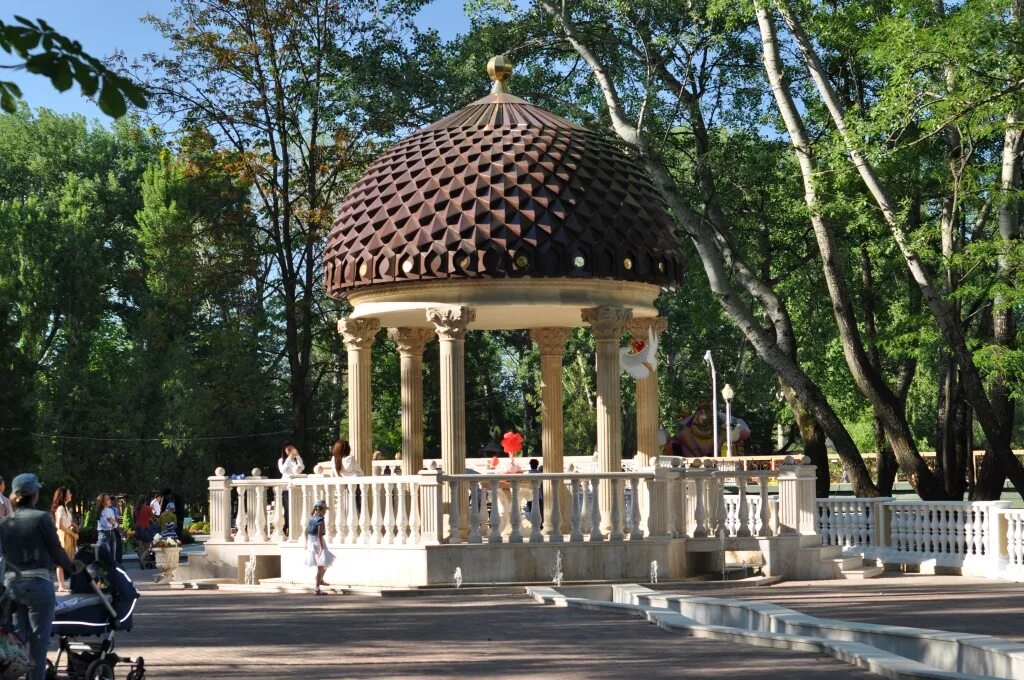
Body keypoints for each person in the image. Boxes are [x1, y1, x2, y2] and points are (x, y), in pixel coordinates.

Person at [0, 473, 84, 680]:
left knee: (19, 638)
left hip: (12, 587)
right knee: (39, 643)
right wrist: (72, 567)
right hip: (38, 585)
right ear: (35, 495)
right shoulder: (42, 518)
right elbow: (57, 550)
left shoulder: (5, 522)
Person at [50, 487, 78, 592]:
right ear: (64, 495)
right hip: (63, 537)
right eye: (69, 493)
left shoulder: (64, 507)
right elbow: (59, 525)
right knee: (61, 561)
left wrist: (72, 524)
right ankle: (61, 585)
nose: (71, 495)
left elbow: (65, 523)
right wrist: (73, 534)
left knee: (66, 560)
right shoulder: (61, 508)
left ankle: (63, 584)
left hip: (67, 536)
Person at [304, 499, 334, 595]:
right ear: (320, 510)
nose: (325, 512)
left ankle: (320, 579)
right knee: (321, 565)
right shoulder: (320, 520)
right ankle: (317, 588)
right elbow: (319, 535)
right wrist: (321, 548)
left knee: (326, 562)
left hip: (311, 542)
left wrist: (306, 542)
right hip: (317, 543)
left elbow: (306, 531)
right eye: (324, 510)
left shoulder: (311, 518)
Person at [133, 494, 156, 568]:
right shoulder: (148, 508)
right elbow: (152, 517)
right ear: (145, 501)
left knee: (140, 547)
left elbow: (135, 519)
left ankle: (142, 564)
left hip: (137, 528)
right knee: (148, 547)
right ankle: (142, 559)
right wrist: (157, 521)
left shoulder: (136, 509)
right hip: (146, 528)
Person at [95, 493, 117, 559]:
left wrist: (111, 522)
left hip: (112, 534)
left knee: (113, 559)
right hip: (103, 535)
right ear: (102, 502)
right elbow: (106, 525)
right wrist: (111, 522)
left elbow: (115, 524)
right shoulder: (100, 512)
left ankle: (113, 569)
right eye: (107, 499)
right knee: (107, 558)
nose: (109, 500)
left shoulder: (111, 510)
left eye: (109, 499)